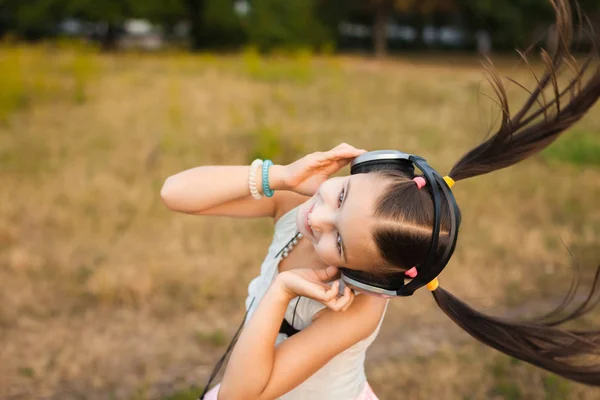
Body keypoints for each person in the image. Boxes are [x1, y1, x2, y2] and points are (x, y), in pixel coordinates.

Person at [160, 1, 600, 398]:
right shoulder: (303, 199)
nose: (319, 219)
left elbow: (241, 395)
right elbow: (175, 192)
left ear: (369, 277)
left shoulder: (359, 306)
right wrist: (281, 175)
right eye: (342, 195)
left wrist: (279, 293)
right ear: (364, 168)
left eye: (340, 243)